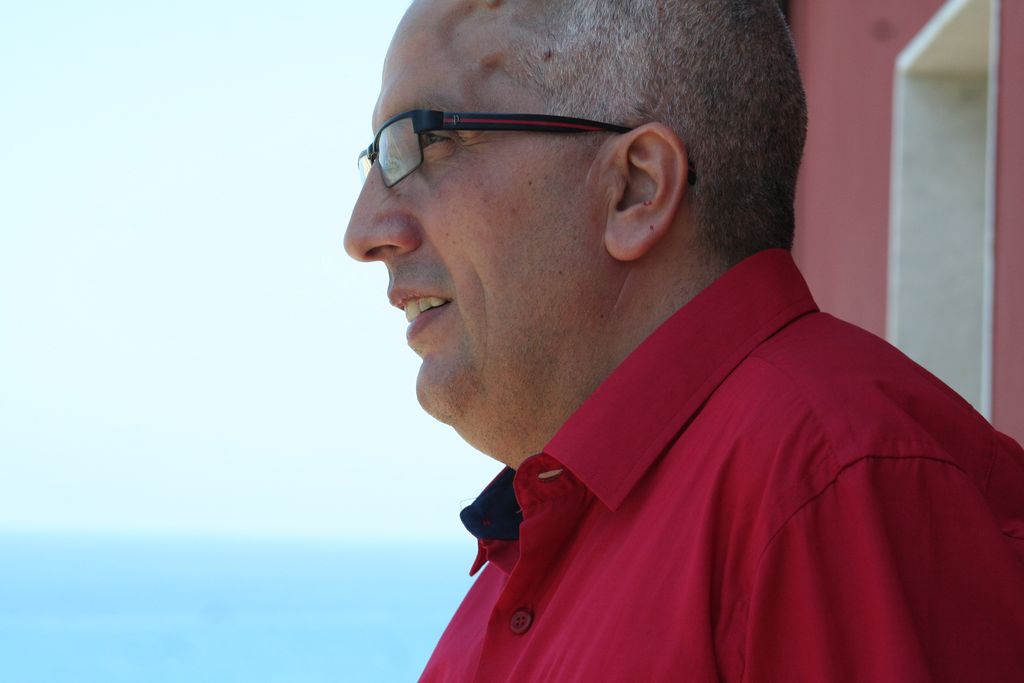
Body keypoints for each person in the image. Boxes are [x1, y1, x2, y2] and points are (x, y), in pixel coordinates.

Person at [344, 0, 1024, 680]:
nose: (363, 231)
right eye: (377, 158)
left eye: (419, 143)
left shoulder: (825, 485)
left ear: (636, 189)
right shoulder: (542, 546)